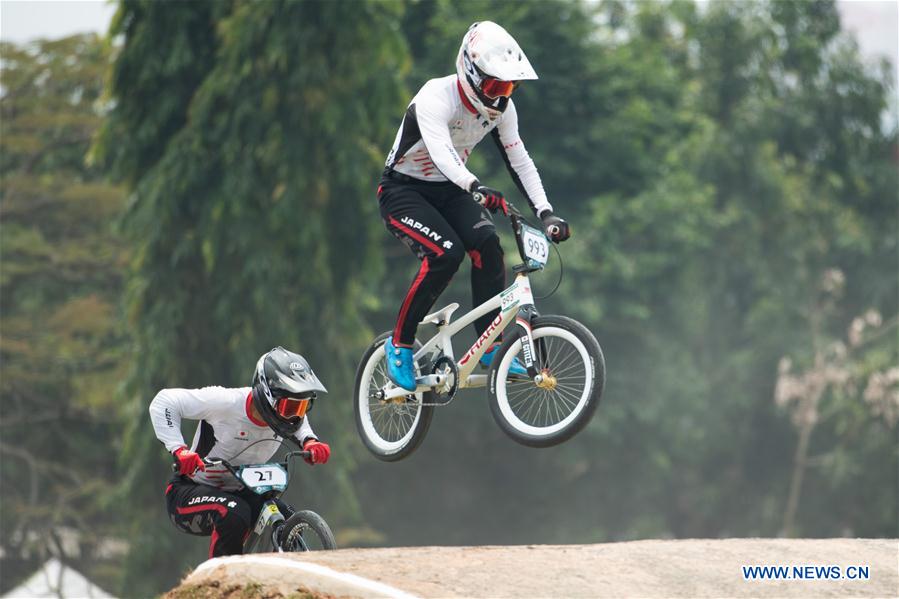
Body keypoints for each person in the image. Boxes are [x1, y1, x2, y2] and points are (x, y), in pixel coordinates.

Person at [378, 21, 571, 391]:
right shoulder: (436, 97)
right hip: (403, 191)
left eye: (509, 87)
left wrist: (546, 213)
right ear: (470, 72)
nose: (501, 96)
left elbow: (520, 161)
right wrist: (476, 186)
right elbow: (443, 154)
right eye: (496, 85)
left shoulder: (503, 110)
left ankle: (489, 347)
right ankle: (399, 343)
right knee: (445, 254)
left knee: (487, 246)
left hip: (450, 191)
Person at [148, 347, 331, 558]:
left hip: (242, 490)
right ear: (268, 394)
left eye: (302, 408)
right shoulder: (226, 402)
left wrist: (309, 441)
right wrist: (178, 449)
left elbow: (299, 422)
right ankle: (221, 584)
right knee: (234, 513)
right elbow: (164, 401)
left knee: (285, 516)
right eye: (290, 408)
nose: (294, 418)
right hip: (189, 491)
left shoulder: (288, 414)